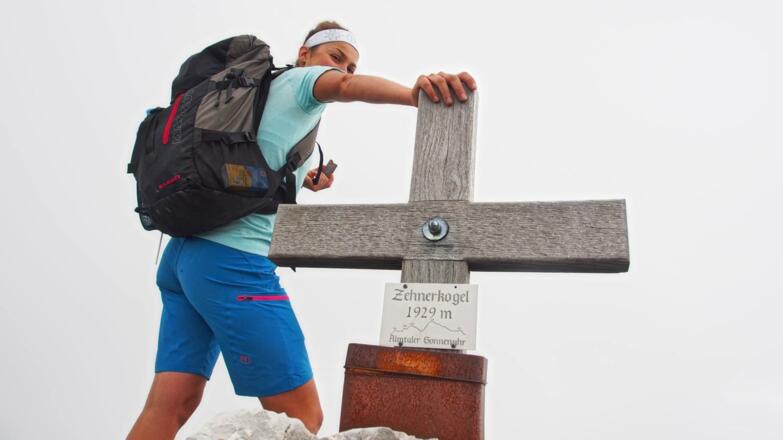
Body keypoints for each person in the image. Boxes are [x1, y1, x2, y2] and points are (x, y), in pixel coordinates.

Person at [126, 20, 477, 440]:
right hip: (232, 264)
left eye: (351, 65)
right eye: (336, 58)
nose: (343, 71)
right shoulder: (301, 81)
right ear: (306, 53)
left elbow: (263, 169)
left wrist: (310, 180)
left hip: (183, 261)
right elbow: (347, 90)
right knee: (302, 415)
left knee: (169, 407)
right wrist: (412, 95)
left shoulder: (266, 101)